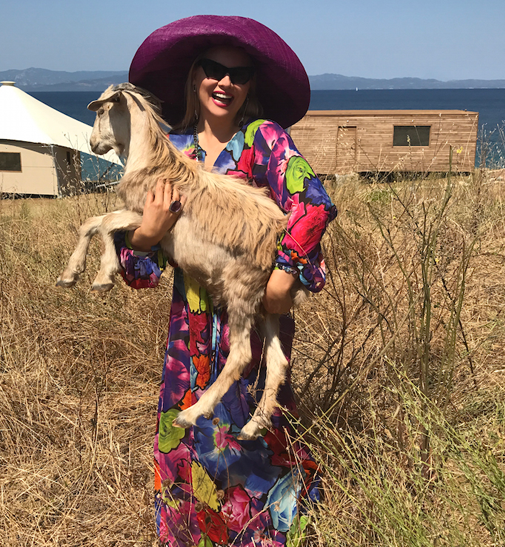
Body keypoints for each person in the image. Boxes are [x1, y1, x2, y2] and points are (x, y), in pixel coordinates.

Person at [116, 15, 337, 547]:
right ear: (195, 75)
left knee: (255, 458)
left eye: (239, 75)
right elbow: (139, 272)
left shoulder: (264, 140)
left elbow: (313, 204)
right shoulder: (172, 152)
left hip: (254, 325)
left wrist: (284, 277)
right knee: (188, 459)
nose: (225, 83)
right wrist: (147, 235)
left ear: (251, 86)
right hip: (188, 341)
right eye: (214, 69)